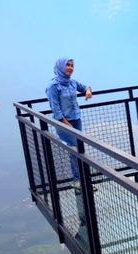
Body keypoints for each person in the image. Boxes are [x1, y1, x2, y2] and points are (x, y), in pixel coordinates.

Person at [45, 58, 93, 191]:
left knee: (77, 149)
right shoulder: (53, 86)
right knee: (76, 148)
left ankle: (82, 181)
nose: (70, 67)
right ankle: (79, 180)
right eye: (67, 65)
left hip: (76, 119)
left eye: (72, 65)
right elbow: (56, 110)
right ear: (60, 67)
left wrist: (88, 91)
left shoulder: (72, 83)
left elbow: (85, 87)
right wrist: (68, 126)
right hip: (64, 123)